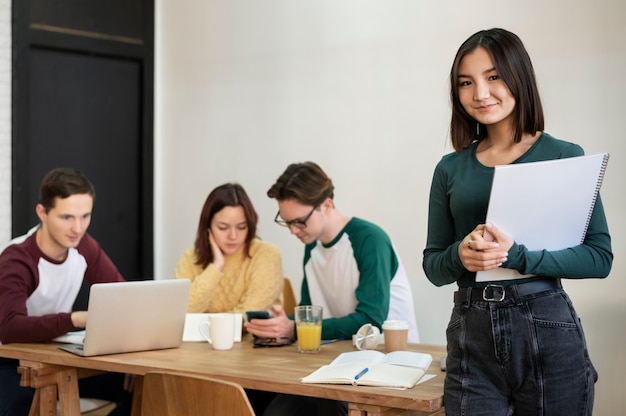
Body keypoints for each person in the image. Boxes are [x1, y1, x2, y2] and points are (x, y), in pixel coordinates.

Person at [422, 28, 612, 416]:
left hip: (546, 326)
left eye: (493, 77)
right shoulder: (450, 168)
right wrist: (460, 255)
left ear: (518, 77)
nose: (480, 93)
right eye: (466, 82)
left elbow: (599, 257)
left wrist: (517, 255)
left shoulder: (562, 155)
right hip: (469, 331)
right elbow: (433, 266)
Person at [245, 161, 418, 416]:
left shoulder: (369, 240)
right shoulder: (311, 247)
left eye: (300, 222)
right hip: (340, 366)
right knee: (259, 400)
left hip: (388, 367)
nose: (293, 230)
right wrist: (282, 325)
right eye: (287, 222)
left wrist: (294, 326)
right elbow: (310, 316)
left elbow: (370, 320)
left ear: (326, 204)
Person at [0, 168, 134, 416]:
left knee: (142, 386)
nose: (78, 228)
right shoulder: (17, 259)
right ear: (42, 212)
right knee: (17, 407)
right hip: (9, 362)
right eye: (67, 218)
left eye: (85, 216)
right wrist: (75, 319)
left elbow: (122, 296)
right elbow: (10, 327)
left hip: (56, 357)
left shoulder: (83, 245)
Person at [174, 183, 283, 314]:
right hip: (200, 335)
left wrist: (206, 324)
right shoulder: (189, 258)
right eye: (223, 227)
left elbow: (250, 314)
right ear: (208, 227)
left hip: (250, 335)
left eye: (241, 227)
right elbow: (180, 313)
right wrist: (216, 267)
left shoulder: (266, 254)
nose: (233, 236)